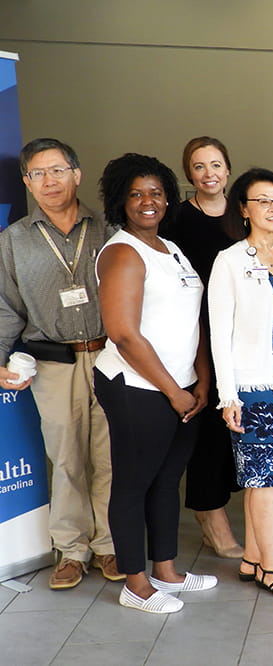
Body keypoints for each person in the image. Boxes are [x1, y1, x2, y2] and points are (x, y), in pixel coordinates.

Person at [93, 153, 217, 613]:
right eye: (136, 194)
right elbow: (123, 333)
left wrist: (200, 380)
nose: (148, 202)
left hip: (181, 387)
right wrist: (174, 390)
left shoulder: (171, 247)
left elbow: (191, 321)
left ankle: (166, 571)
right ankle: (136, 583)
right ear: (120, 201)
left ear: (168, 196)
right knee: (133, 483)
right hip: (136, 389)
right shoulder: (123, 251)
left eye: (156, 193)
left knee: (167, 481)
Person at [0, 138, 121, 590]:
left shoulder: (109, 228)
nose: (48, 182)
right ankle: (71, 550)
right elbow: (6, 306)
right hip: (53, 362)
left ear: (76, 174)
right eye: (37, 174)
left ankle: (110, 546)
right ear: (28, 183)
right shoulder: (13, 241)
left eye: (57, 170)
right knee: (66, 459)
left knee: (110, 458)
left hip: (110, 356)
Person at [209, 168, 273, 599]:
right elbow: (218, 331)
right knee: (266, 480)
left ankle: (253, 557)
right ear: (244, 209)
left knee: (266, 478)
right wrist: (227, 395)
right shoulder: (230, 260)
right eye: (263, 201)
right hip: (252, 388)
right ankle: (272, 566)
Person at [161, 136, 242, 559]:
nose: (209, 173)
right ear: (188, 173)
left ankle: (225, 506)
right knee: (208, 428)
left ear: (228, 169)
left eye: (216, 164)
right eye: (199, 166)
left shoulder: (244, 213)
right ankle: (211, 516)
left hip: (244, 336)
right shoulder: (175, 220)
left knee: (240, 426)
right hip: (197, 335)